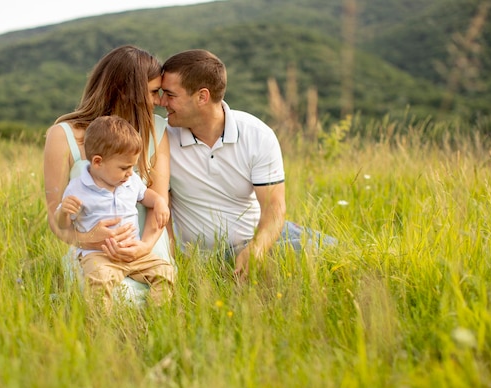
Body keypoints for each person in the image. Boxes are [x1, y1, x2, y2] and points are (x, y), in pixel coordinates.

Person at [160, 49, 336, 280]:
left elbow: (274, 208)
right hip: (210, 256)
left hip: (262, 238)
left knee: (339, 255)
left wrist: (256, 248)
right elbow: (162, 211)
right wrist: (172, 263)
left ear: (202, 97)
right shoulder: (162, 139)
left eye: (170, 95)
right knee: (300, 259)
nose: (161, 101)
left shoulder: (257, 134)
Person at [44, 45, 171, 300]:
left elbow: (159, 203)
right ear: (126, 91)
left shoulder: (156, 129)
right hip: (91, 252)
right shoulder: (62, 135)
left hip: (144, 245)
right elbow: (54, 214)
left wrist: (142, 247)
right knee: (111, 300)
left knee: (157, 295)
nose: (159, 101)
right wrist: (89, 239)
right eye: (152, 92)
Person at [56, 115, 174, 309]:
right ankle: (101, 327)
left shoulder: (130, 181)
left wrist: (160, 202)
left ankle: (156, 315)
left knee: (165, 271)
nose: (130, 173)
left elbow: (146, 195)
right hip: (99, 255)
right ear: (97, 162)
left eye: (132, 167)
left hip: (133, 252)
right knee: (98, 282)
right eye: (124, 168)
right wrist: (63, 212)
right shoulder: (78, 188)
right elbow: (63, 225)